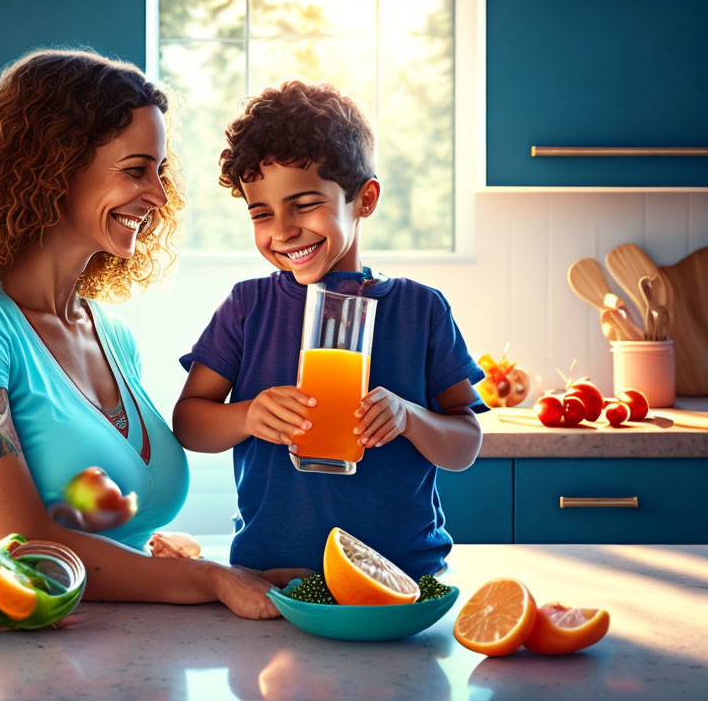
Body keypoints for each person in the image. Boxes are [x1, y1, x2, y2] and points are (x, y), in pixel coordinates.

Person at [0, 49, 304, 619]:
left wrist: (157, 559)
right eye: (134, 170)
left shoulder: (112, 334)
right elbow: (16, 547)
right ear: (51, 167)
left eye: (158, 171)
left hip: (101, 647)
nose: (156, 194)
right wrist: (210, 579)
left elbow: (92, 520)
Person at [173, 81, 487, 579]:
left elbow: (465, 444)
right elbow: (190, 423)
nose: (281, 231)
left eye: (303, 204)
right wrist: (249, 416)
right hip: (273, 575)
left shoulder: (420, 310)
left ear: (365, 199)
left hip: (402, 575)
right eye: (261, 213)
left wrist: (409, 417)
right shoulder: (247, 306)